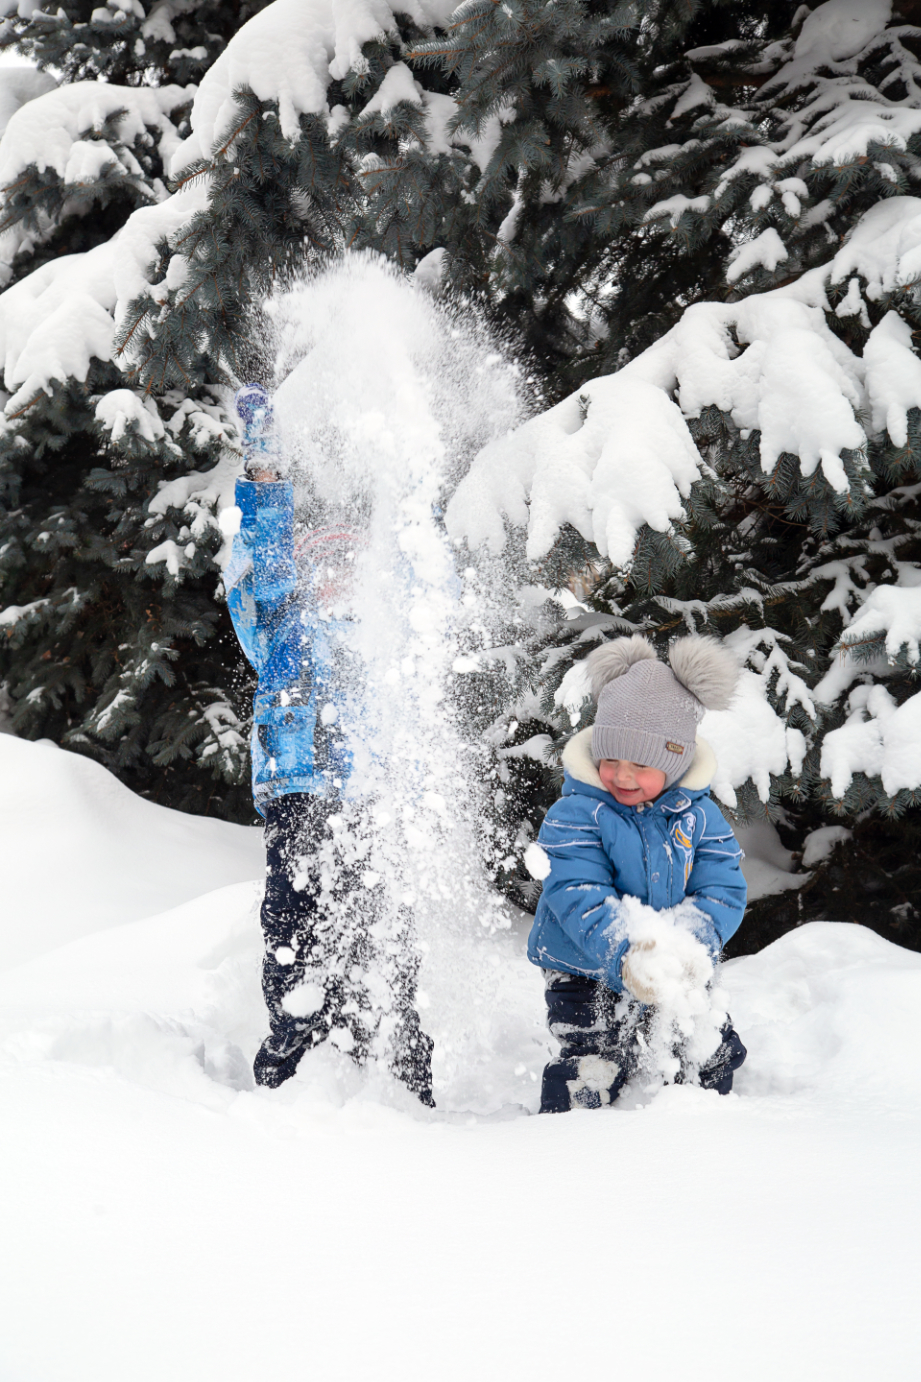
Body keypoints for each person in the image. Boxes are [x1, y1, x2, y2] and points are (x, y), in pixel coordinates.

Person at [225, 383, 434, 1102]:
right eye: (326, 566)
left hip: (372, 801)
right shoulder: (285, 622)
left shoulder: (388, 637)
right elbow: (266, 543)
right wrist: (263, 466)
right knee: (292, 926)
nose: (339, 577)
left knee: (384, 927)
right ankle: (287, 1058)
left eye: (354, 566)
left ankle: (400, 1070)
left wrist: (405, 463)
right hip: (296, 798)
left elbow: (413, 559)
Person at [529, 634, 748, 1113]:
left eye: (641, 764)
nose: (622, 776)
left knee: (706, 1048)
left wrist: (691, 947)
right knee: (592, 1062)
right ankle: (570, 1144)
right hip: (583, 965)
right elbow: (577, 892)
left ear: (675, 761)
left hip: (674, 962)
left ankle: (708, 1129)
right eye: (611, 759)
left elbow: (723, 886)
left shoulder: (699, 817)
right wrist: (626, 956)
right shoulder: (576, 812)